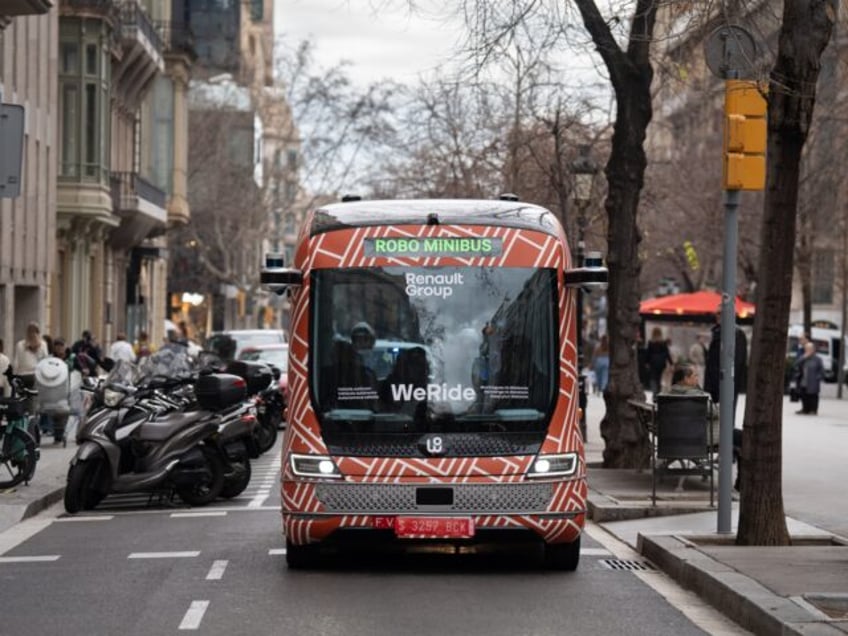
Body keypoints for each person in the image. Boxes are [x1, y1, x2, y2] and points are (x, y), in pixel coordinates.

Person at [663, 363, 744, 490]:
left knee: (737, 438)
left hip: (678, 439)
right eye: (695, 376)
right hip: (704, 438)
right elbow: (716, 412)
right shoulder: (698, 397)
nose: (698, 378)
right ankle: (741, 483)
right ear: (686, 379)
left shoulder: (668, 395)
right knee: (743, 437)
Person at [703, 312, 748, 413]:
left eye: (720, 313)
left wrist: (728, 381)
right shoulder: (717, 331)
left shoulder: (736, 333)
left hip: (725, 382)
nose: (717, 316)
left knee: (726, 416)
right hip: (714, 382)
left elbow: (737, 361)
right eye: (717, 313)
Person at [793, 341, 824, 415]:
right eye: (806, 349)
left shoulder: (817, 359)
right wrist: (803, 357)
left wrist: (817, 378)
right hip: (804, 379)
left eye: (809, 349)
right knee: (804, 395)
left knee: (813, 396)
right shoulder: (803, 358)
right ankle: (805, 409)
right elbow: (796, 364)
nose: (808, 351)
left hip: (813, 381)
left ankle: (813, 410)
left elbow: (822, 371)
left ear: (813, 350)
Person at [645, 327, 672, 395]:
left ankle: (654, 392)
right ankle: (658, 393)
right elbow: (667, 353)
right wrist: (671, 363)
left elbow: (648, 353)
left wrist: (646, 362)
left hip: (653, 362)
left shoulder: (651, 342)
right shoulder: (663, 342)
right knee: (659, 378)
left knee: (653, 378)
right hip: (661, 363)